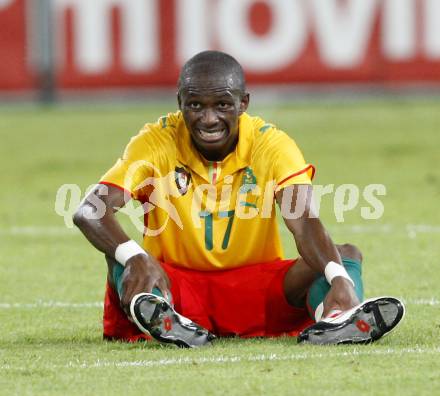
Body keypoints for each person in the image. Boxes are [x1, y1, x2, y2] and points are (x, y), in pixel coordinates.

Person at [73, 50, 404, 347]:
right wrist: (135, 257)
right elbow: (90, 210)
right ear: (179, 102)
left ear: (243, 103)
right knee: (122, 256)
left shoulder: (271, 145)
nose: (209, 118)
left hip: (257, 291)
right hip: (175, 285)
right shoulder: (155, 141)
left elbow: (303, 222)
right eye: (195, 105)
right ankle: (165, 316)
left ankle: (336, 319)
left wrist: (339, 279)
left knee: (343, 257)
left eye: (222, 104)